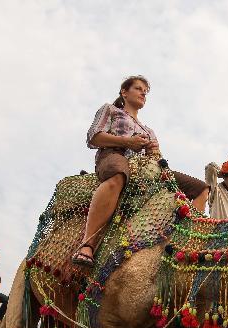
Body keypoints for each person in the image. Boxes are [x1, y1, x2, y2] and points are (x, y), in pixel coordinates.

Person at [72, 75, 210, 267]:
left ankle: (189, 241)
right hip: (114, 155)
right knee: (118, 174)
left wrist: (153, 151)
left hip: (146, 168)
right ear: (124, 92)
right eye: (138, 88)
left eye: (145, 91)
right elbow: (93, 137)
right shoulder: (111, 110)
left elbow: (156, 158)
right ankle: (87, 245)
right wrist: (128, 142)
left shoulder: (148, 130)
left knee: (201, 188)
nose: (143, 93)